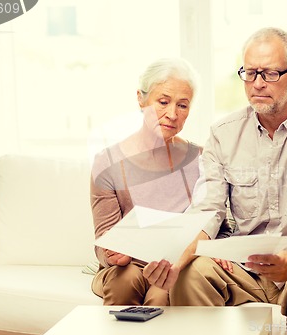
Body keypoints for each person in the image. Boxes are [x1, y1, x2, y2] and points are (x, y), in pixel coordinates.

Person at [143, 27, 287, 334]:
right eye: (250, 74)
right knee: (190, 273)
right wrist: (175, 263)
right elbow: (207, 211)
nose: (258, 84)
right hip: (246, 269)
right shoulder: (224, 133)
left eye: (270, 74)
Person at [90, 58, 201, 306]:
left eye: (182, 105)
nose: (172, 114)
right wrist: (111, 255)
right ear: (141, 99)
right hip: (127, 267)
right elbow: (102, 239)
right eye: (163, 102)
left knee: (161, 293)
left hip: (176, 265)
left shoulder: (201, 159)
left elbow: (217, 225)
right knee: (124, 280)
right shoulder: (107, 162)